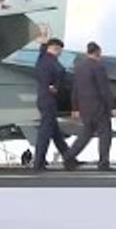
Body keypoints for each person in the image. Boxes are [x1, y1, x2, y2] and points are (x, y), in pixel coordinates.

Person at [63, 42, 116, 171]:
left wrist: (75, 107)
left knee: (85, 134)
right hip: (99, 107)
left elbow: (75, 89)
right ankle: (103, 163)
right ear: (98, 52)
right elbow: (104, 89)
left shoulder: (79, 68)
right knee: (105, 134)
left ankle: (69, 157)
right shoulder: (99, 67)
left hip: (84, 107)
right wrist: (112, 106)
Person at [33, 38, 76, 171]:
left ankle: (69, 158)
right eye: (60, 50)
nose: (61, 53)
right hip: (48, 98)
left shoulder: (45, 59)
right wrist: (52, 87)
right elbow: (47, 77)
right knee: (45, 132)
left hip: (47, 98)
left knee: (55, 132)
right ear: (55, 48)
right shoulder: (48, 62)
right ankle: (38, 162)